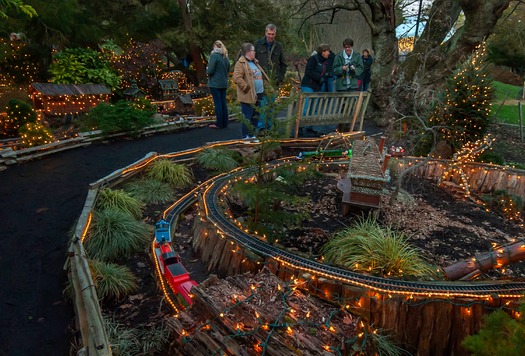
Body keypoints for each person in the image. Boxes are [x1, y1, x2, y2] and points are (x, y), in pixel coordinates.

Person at [233, 43, 270, 139]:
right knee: (247, 117)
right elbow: (237, 77)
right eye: (253, 51)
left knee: (256, 116)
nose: (255, 52)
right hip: (248, 95)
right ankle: (245, 136)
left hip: (259, 94)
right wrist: (246, 88)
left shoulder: (255, 62)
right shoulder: (241, 63)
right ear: (248, 52)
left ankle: (252, 135)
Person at [300, 44, 332, 133]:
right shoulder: (313, 59)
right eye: (327, 51)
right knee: (306, 106)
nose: (329, 53)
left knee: (314, 107)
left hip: (317, 86)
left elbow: (324, 72)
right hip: (308, 85)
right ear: (323, 52)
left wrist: (326, 76)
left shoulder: (325, 62)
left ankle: (310, 126)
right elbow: (309, 71)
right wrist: (319, 78)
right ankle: (301, 126)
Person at [207, 40, 230, 129]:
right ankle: (225, 123)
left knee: (218, 103)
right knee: (223, 103)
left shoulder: (214, 56)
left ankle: (219, 123)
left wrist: (207, 69)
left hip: (215, 83)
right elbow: (227, 69)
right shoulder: (225, 57)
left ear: (214, 47)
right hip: (223, 83)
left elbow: (210, 71)